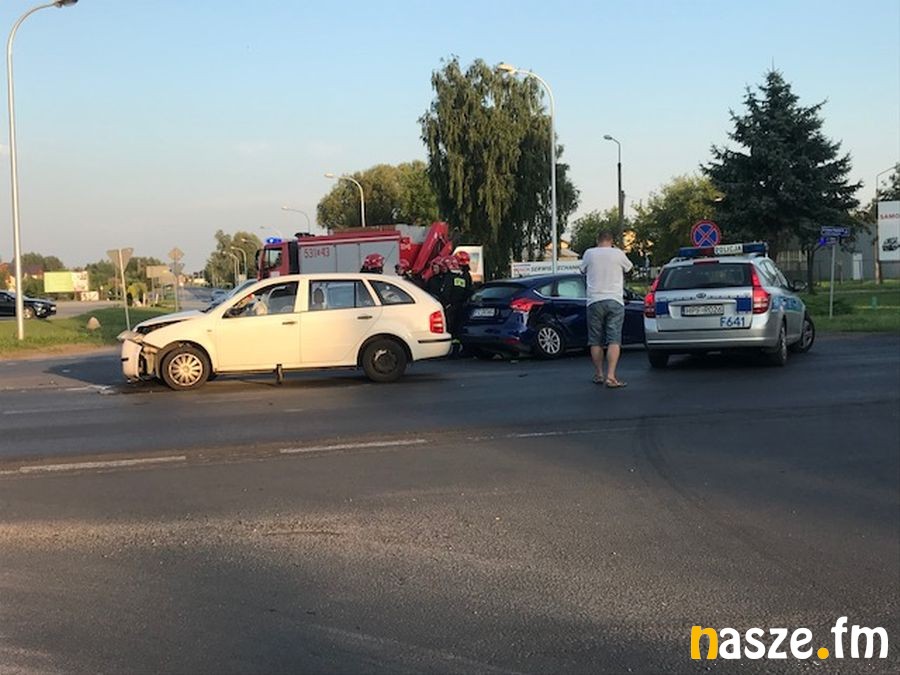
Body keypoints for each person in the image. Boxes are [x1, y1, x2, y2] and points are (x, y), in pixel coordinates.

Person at [580, 229, 633, 388]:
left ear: (597, 240)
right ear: (612, 241)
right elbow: (629, 268)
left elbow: (582, 270)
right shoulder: (618, 253)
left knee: (595, 340)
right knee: (614, 339)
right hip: (615, 300)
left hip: (594, 300)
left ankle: (599, 374)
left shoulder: (589, 253)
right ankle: (611, 376)